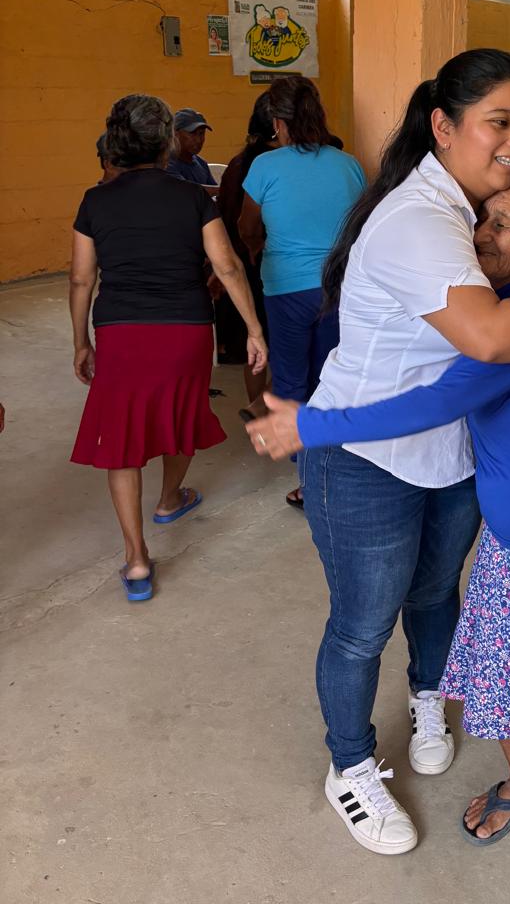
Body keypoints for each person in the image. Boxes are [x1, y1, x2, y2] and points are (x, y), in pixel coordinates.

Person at [245, 48, 510, 856]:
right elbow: (489, 341)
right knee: (363, 623)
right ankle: (350, 765)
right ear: (444, 126)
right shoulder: (422, 220)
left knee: (433, 595)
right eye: (500, 121)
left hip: (451, 457)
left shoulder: (474, 211)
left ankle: (430, 696)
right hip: (367, 452)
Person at [70, 95, 267, 603]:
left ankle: (136, 559)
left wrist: (81, 341)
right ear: (166, 142)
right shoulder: (191, 197)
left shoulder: (95, 201)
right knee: (181, 410)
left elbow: (81, 279)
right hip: (186, 329)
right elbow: (227, 266)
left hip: (120, 332)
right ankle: (169, 498)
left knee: (122, 436)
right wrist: (253, 329)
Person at [238, 76, 365, 507]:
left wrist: (259, 249)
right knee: (333, 377)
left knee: (291, 379)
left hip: (286, 289)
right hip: (340, 287)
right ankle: (334, 469)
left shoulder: (265, 166)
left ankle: (310, 479)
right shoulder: (348, 165)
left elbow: (247, 228)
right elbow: (359, 226)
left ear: (277, 121)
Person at [215, 91, 276, 411]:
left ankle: (257, 410)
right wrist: (255, 245)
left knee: (255, 349)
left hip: (239, 269)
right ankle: (261, 410)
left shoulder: (238, 165)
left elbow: (225, 220)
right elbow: (247, 226)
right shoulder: (277, 166)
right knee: (291, 350)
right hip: (270, 266)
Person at [166, 109, 218, 192]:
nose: (198, 140)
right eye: (192, 133)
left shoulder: (201, 163)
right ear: (175, 134)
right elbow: (188, 191)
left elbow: (215, 193)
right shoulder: (165, 163)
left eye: (201, 133)